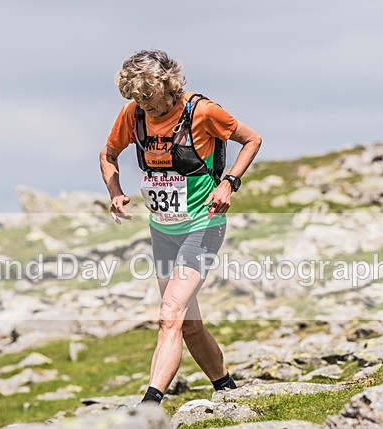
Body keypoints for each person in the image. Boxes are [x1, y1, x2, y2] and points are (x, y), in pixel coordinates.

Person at [99, 49, 261, 405]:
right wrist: (115, 192)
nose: (145, 107)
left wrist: (228, 182)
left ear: (168, 87)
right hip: (163, 232)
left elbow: (252, 139)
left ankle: (149, 405)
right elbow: (108, 155)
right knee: (188, 323)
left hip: (204, 225)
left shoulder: (202, 111)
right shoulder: (134, 113)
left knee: (168, 315)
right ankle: (226, 389)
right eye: (137, 99)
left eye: (150, 99)